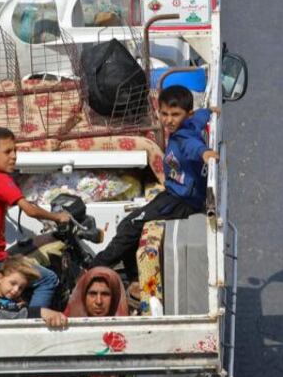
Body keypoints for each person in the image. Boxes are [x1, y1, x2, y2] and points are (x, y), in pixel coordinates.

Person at [91, 86, 219, 285]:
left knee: (129, 225)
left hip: (181, 201)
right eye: (164, 114)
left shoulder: (183, 137)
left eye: (175, 115)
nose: (169, 120)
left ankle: (93, 269)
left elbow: (193, 147)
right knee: (128, 223)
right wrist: (211, 110)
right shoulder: (193, 121)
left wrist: (205, 153)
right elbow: (202, 116)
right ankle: (134, 277)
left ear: (187, 114)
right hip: (173, 194)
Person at [0, 127, 71, 308]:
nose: (14, 156)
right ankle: (33, 318)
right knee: (48, 279)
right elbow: (30, 210)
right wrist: (57, 217)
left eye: (15, 150)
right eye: (7, 152)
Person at [64, 267, 128, 317]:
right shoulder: (66, 325)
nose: (98, 301)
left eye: (105, 294)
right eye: (93, 294)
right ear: (83, 297)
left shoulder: (129, 326)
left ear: (114, 298)